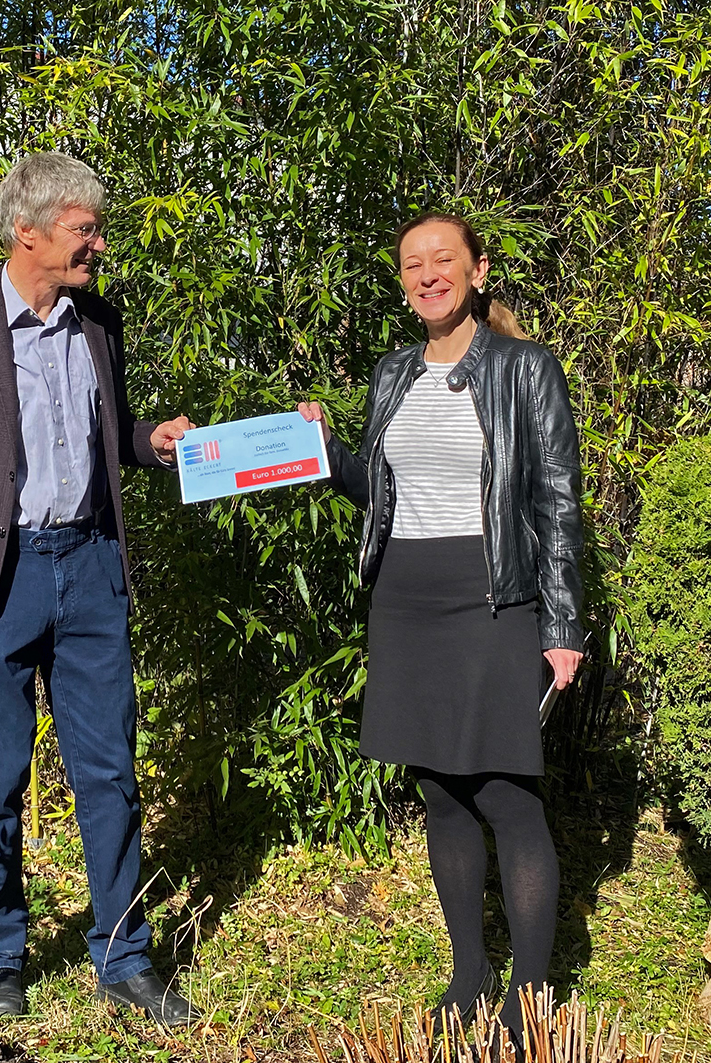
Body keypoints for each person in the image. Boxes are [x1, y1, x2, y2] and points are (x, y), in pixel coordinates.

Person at [0, 152, 198, 1025]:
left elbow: (106, 433)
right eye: (84, 228)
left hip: (90, 568)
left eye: (95, 226)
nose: (99, 242)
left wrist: (151, 440)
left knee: (110, 772)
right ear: (28, 233)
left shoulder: (97, 321)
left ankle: (124, 955)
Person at [298, 212, 584, 1036]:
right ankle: (468, 976)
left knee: (505, 793)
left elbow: (556, 502)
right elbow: (377, 493)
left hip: (493, 596)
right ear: (402, 283)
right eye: (412, 265)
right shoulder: (392, 375)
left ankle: (530, 1002)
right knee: (440, 791)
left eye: (442, 261)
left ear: (477, 270)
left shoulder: (526, 368)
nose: (427, 275)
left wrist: (562, 622)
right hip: (406, 598)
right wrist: (322, 449)